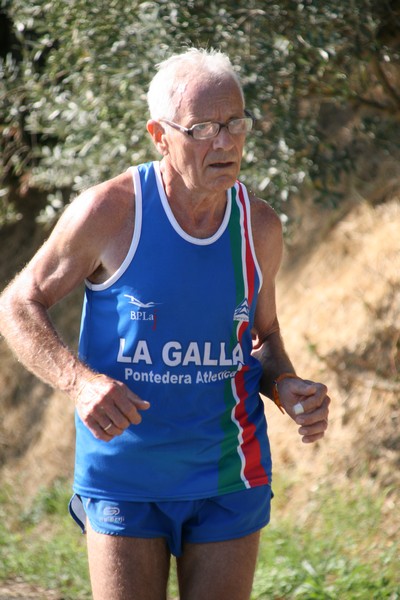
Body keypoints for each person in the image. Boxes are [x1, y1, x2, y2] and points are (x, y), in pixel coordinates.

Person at [0, 48, 330, 600]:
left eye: (235, 123)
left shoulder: (259, 227)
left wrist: (285, 386)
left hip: (228, 471)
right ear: (160, 135)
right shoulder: (110, 212)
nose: (225, 143)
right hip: (125, 475)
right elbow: (17, 302)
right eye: (202, 128)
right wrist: (79, 382)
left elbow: (264, 338)